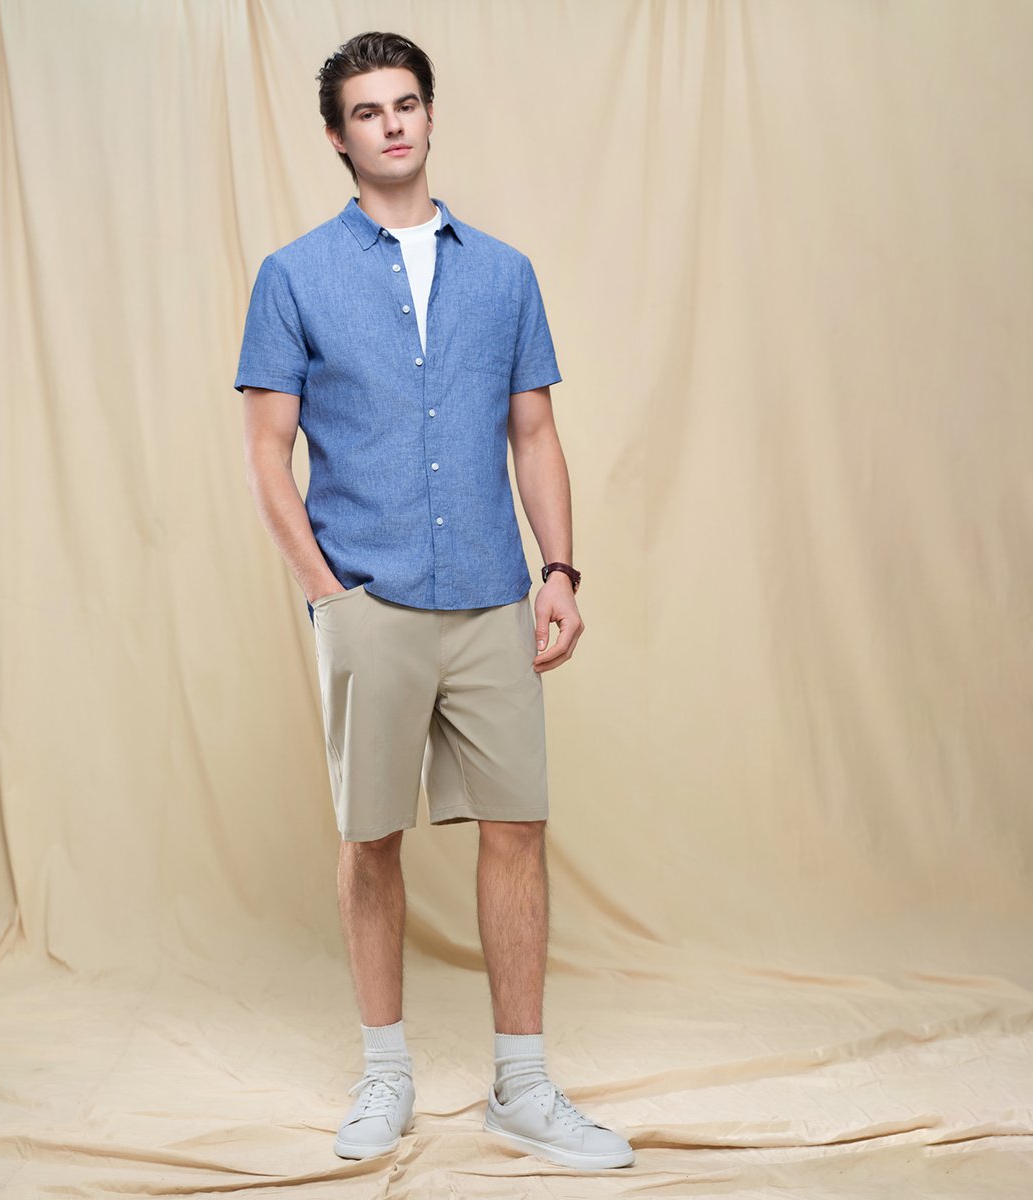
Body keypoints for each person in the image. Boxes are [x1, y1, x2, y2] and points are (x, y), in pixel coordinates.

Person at [234, 30, 635, 1172]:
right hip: (369, 595)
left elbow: (535, 433)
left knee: (518, 829)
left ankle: (523, 1087)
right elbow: (265, 454)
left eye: (406, 103)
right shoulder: (294, 277)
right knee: (370, 839)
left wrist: (560, 571)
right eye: (368, 111)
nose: (393, 124)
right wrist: (328, 597)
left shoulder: (504, 273)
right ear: (338, 136)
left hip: (492, 596)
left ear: (427, 115)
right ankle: (385, 1075)